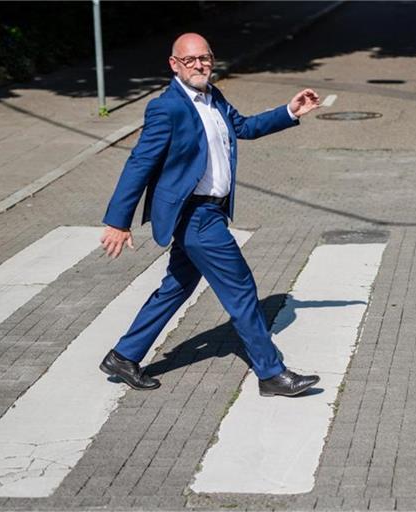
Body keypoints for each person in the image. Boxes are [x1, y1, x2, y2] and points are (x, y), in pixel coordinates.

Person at [98, 33, 321, 397]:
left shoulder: (213, 97)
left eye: (206, 58)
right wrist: (118, 221)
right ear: (174, 65)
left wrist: (290, 111)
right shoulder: (166, 108)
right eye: (191, 60)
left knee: (176, 287)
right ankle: (271, 373)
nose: (200, 65)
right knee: (241, 289)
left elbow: (244, 127)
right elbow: (140, 162)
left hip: (210, 211)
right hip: (195, 215)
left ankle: (124, 356)